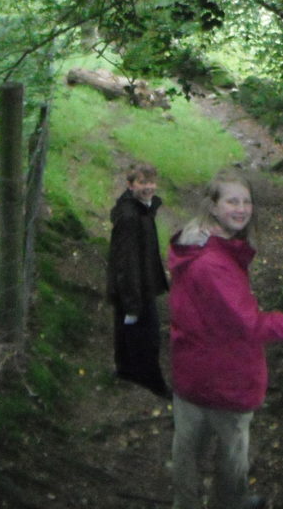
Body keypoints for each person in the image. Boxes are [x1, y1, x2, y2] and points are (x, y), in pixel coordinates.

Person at [167, 167, 283, 509]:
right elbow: (251, 326)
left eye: (246, 201)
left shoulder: (195, 247)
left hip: (192, 373)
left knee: (187, 453)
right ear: (213, 207)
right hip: (225, 380)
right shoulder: (213, 264)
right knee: (231, 460)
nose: (242, 209)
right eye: (232, 201)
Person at [106, 160, 171, 398]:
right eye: (143, 182)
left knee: (128, 331)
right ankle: (151, 380)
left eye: (152, 182)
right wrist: (132, 301)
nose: (149, 187)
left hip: (138, 283)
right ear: (130, 185)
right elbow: (126, 262)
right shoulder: (130, 217)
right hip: (134, 287)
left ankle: (126, 371)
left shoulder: (143, 209)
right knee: (148, 334)